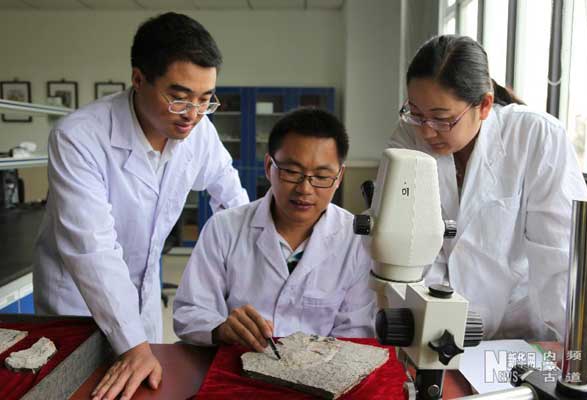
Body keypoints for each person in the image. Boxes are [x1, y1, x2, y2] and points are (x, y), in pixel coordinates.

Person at [33, 12, 249, 400]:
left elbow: (231, 200)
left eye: (205, 100)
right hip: (77, 300)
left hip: (143, 297)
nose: (194, 115)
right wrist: (133, 346)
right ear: (138, 79)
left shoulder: (199, 132)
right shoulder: (79, 138)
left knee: (147, 390)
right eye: (179, 97)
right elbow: (92, 249)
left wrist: (242, 282)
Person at [386, 34, 587, 359]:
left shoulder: (535, 137)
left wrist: (579, 351)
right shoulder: (407, 137)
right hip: (435, 332)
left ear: (484, 105)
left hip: (522, 333)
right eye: (415, 112)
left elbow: (558, 259)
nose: (426, 131)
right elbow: (409, 251)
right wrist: (430, 326)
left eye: (442, 118)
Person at [173, 108, 376, 350]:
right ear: (269, 166)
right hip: (237, 366)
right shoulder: (224, 228)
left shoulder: (356, 240)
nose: (305, 189)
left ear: (339, 176)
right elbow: (190, 311)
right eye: (292, 172)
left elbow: (356, 330)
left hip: (319, 377)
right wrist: (220, 328)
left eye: (321, 176)